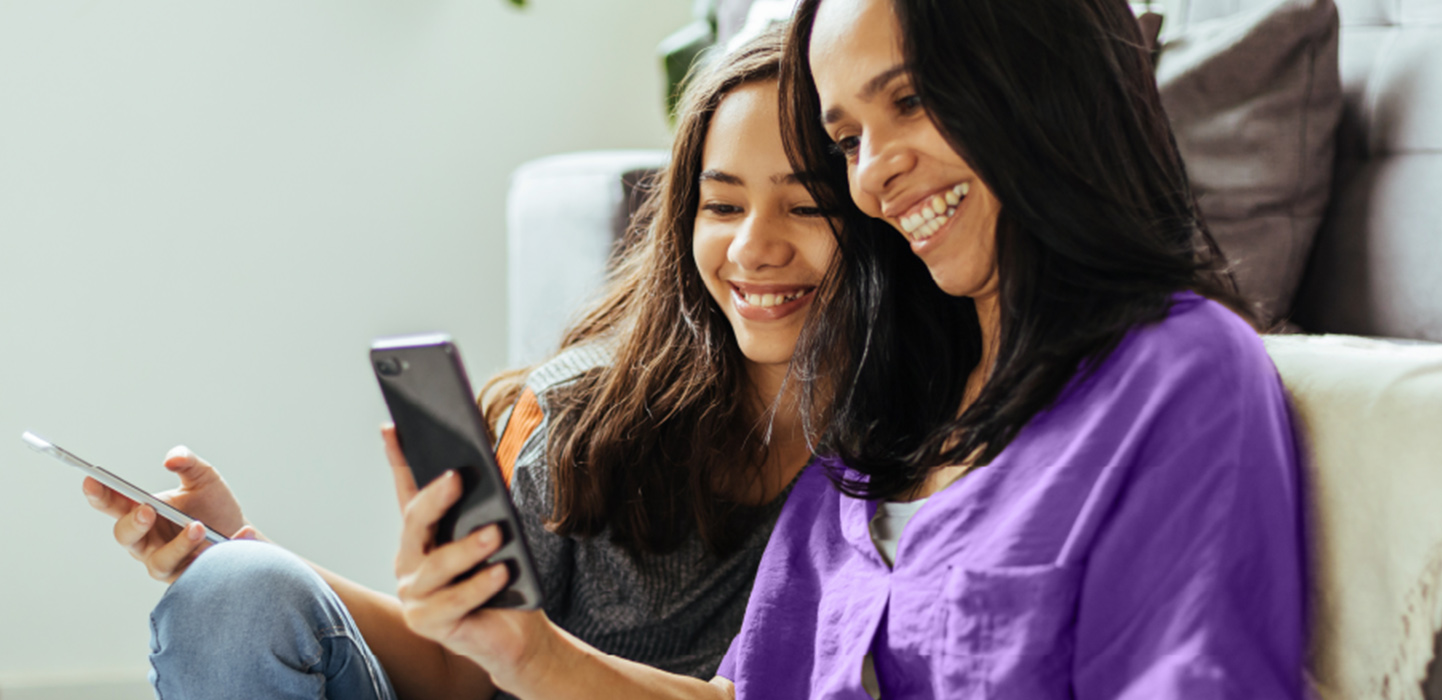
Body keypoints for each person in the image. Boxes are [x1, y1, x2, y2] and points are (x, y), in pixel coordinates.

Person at [392, 0, 1307, 698]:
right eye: (848, 139)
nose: (872, 173)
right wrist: (528, 651)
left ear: (1037, 79)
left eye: (909, 101)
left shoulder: (1179, 379)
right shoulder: (884, 419)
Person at [80, 28, 835, 700]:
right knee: (232, 589)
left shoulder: (912, 460)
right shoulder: (579, 419)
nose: (753, 249)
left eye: (806, 206)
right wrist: (243, 549)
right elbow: (465, 665)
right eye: (723, 207)